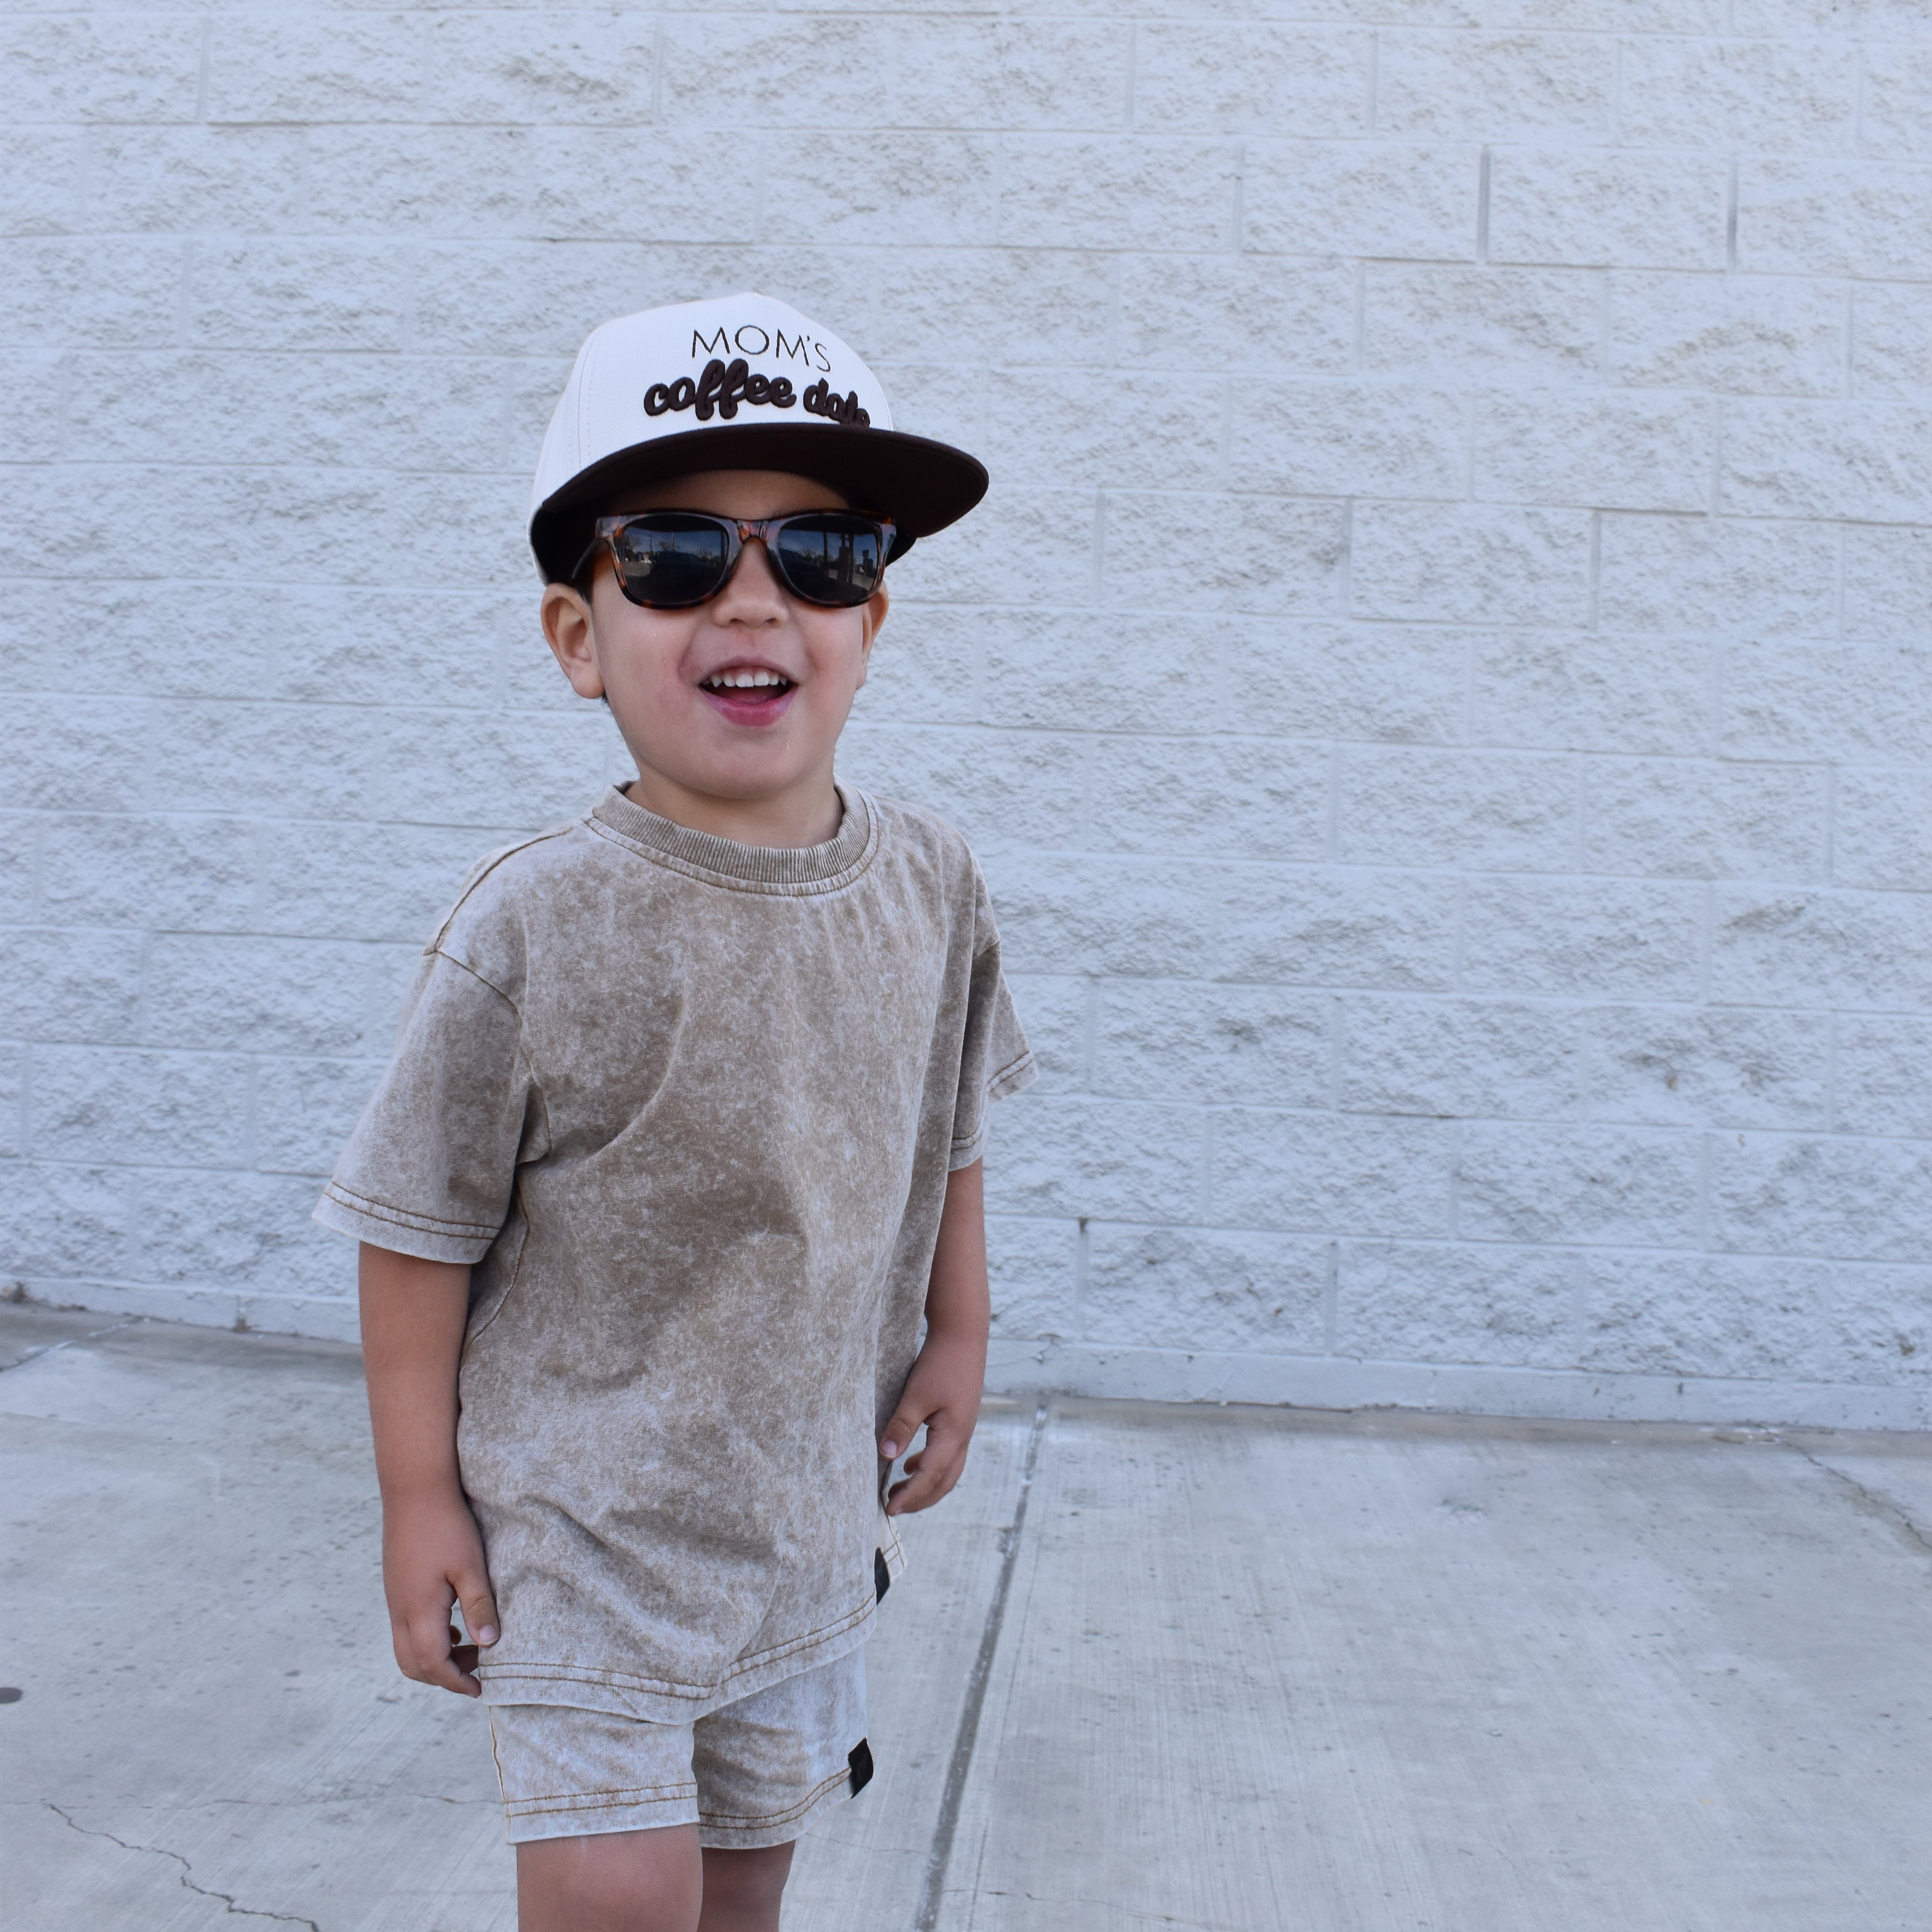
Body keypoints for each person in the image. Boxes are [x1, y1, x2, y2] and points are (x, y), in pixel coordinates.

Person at [314, 293, 1035, 1932]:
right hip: (580, 1524)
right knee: (616, 1904)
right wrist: (420, 1501)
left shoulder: (932, 876)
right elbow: (417, 1227)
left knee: (742, 1892)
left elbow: (953, 1120)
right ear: (580, 636)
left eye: (824, 556)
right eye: (680, 556)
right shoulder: (536, 924)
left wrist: (961, 1333)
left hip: (795, 1510)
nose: (757, 601)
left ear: (872, 623)